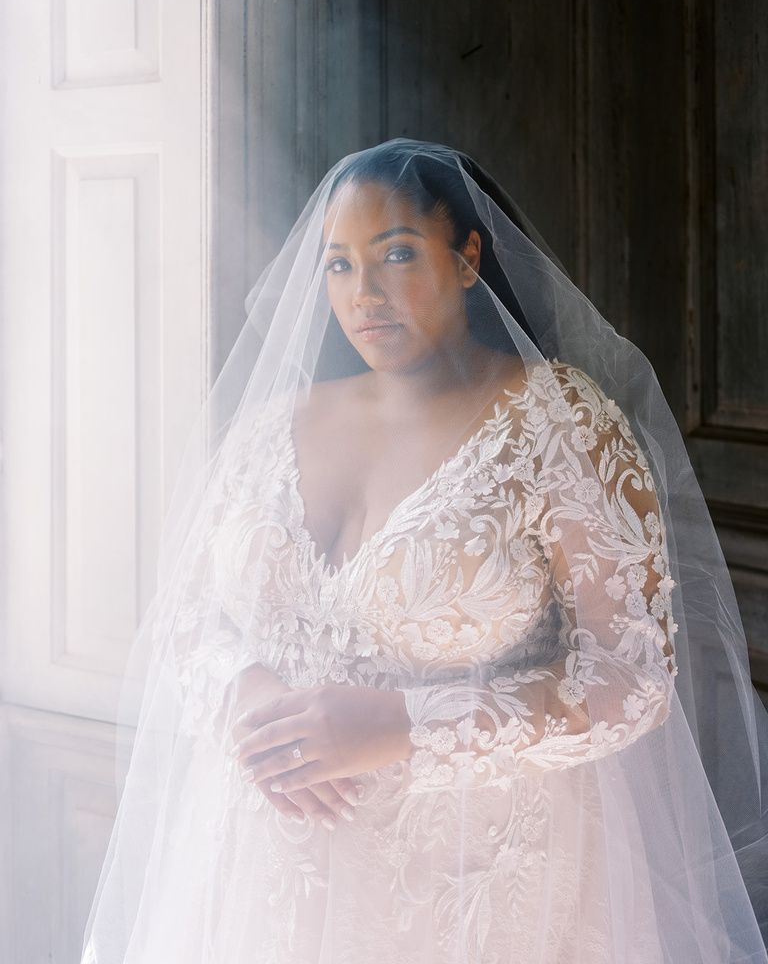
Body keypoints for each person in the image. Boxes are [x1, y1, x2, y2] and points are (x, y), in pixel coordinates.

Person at [80, 139, 768, 963]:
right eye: (337, 266)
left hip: (467, 887)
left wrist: (406, 723)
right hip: (255, 873)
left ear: (469, 256)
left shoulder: (562, 427)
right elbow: (189, 613)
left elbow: (633, 677)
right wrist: (246, 692)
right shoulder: (276, 422)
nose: (363, 294)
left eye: (396, 254)